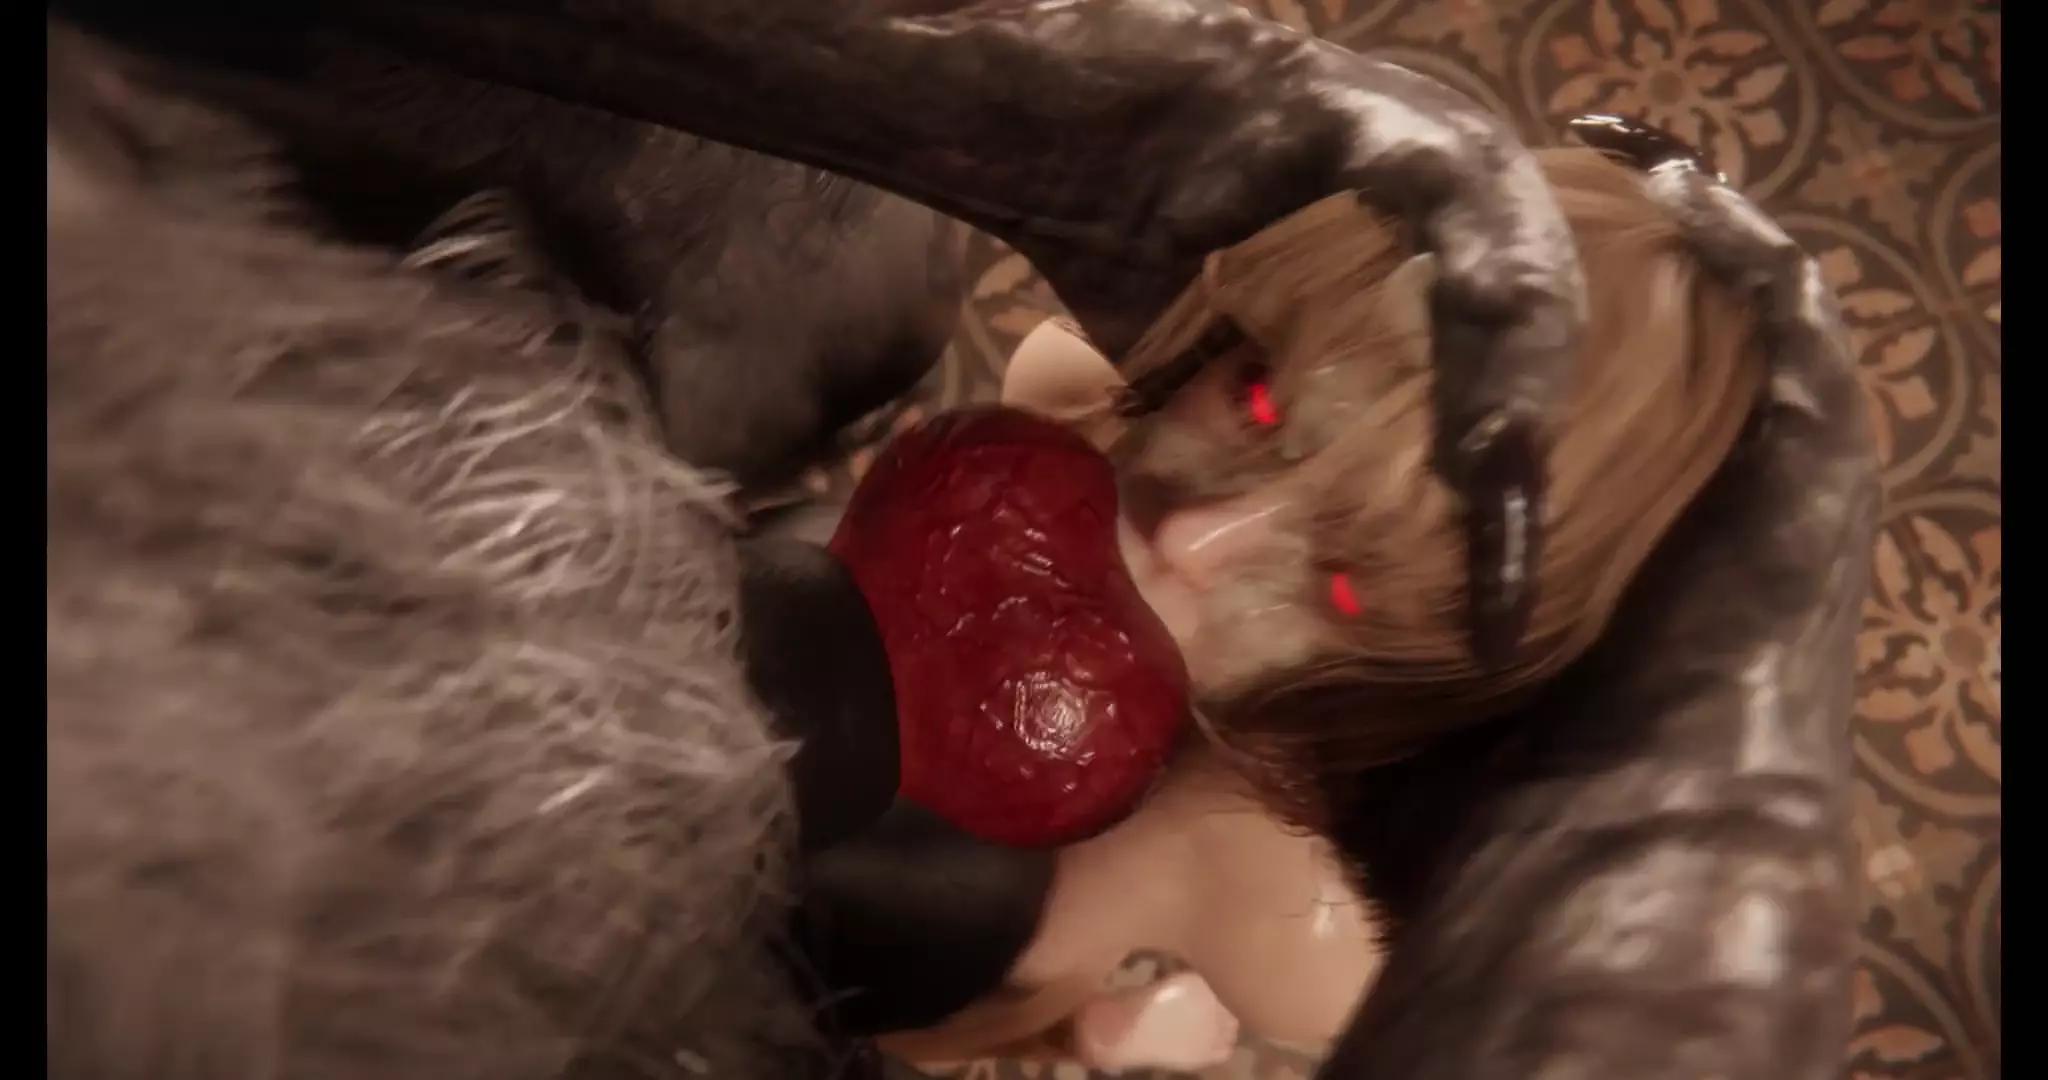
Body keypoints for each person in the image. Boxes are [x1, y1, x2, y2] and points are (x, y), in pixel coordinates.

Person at [45, 5, 1877, 1078]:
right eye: (1250, 396)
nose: (1196, 529)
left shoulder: (1291, 901)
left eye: (1331, 588)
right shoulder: (1061, 381)